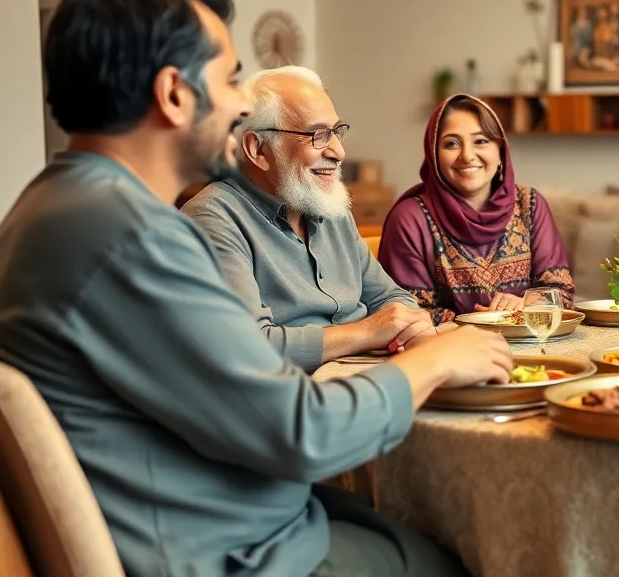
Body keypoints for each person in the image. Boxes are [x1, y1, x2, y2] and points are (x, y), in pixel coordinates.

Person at [0, 0, 511, 577]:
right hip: (214, 567)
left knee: (414, 520)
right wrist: (438, 359)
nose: (241, 104)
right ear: (175, 94)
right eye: (230, 76)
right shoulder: (133, 235)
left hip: (201, 523)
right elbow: (302, 432)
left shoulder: (49, 207)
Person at [184, 66, 444, 373]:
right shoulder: (212, 219)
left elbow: (390, 297)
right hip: (295, 399)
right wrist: (368, 332)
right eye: (318, 135)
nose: (339, 151)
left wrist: (409, 325)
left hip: (368, 375)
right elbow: (248, 347)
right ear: (258, 149)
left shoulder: (329, 206)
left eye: (336, 132)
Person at [379, 94, 575, 324]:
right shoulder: (411, 218)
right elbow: (404, 313)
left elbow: (561, 294)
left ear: (500, 151)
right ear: (433, 155)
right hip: (448, 351)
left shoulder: (529, 205)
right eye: (451, 143)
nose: (467, 156)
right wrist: (479, 320)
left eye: (480, 141)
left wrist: (527, 304)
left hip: (531, 344)